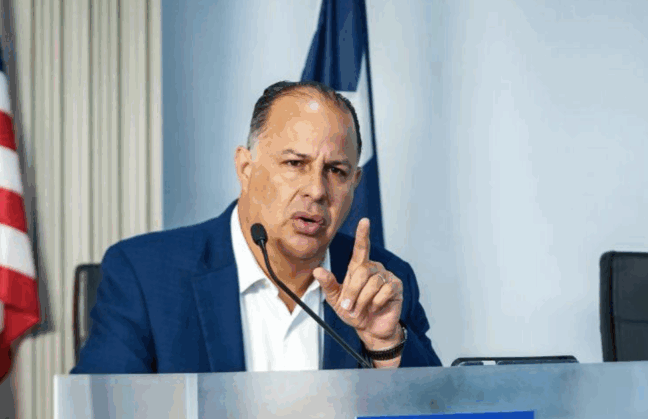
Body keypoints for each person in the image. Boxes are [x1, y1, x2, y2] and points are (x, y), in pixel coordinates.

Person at [72, 81, 441, 374]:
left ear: (355, 183)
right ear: (245, 168)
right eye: (295, 164)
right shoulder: (146, 276)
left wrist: (386, 345)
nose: (316, 190)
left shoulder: (384, 283)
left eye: (336, 171)